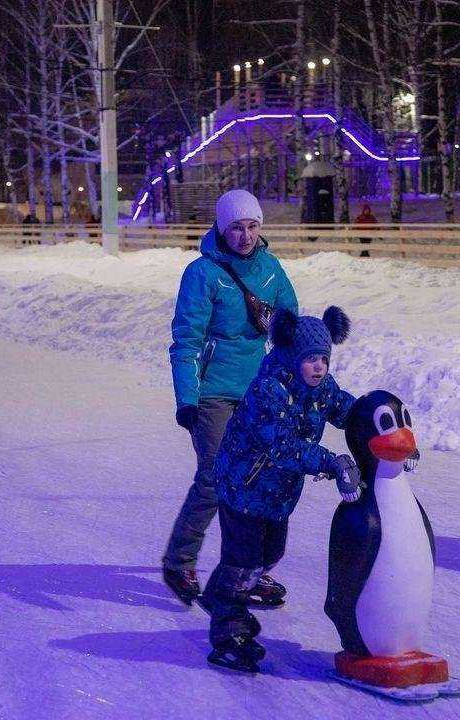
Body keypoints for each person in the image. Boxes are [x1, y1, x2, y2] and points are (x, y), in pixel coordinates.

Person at [201, 306, 358, 672]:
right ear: (292, 355)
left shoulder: (320, 388)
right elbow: (283, 447)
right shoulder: (269, 390)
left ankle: (218, 594)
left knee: (271, 552)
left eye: (324, 359)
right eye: (310, 359)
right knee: (244, 562)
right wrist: (332, 462)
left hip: (276, 494)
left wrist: (377, 419)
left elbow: (344, 409)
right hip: (243, 486)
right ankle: (228, 636)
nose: (319, 367)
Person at [163, 189, 299, 607]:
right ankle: (180, 561)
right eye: (237, 228)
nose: (246, 236)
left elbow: (289, 332)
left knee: (258, 480)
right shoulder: (202, 273)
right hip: (213, 393)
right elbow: (186, 341)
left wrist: (293, 384)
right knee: (216, 478)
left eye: (253, 226)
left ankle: (247, 570)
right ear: (222, 228)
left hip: (257, 393)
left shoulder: (271, 269)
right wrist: (187, 398)